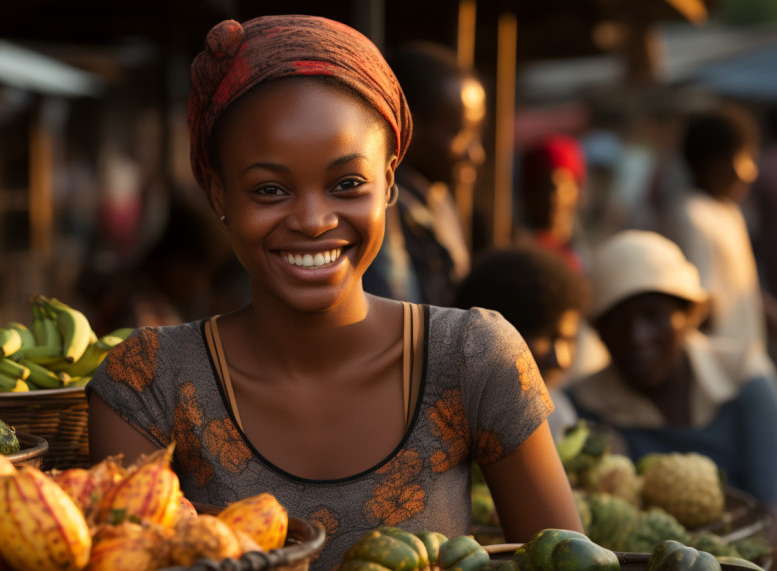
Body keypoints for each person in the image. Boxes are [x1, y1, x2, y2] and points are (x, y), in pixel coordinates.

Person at [87, 15, 581, 568]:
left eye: (347, 184)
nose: (314, 220)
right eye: (269, 189)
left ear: (390, 179)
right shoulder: (146, 386)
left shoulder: (471, 358)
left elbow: (570, 558)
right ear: (218, 192)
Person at [567, 230, 777, 514]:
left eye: (652, 315)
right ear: (600, 333)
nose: (637, 337)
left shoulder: (744, 379)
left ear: (688, 316)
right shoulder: (582, 407)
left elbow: (771, 506)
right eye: (617, 322)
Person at [364, 41, 486, 306]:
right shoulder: (382, 205)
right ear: (409, 129)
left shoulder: (437, 198)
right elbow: (397, 311)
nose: (475, 153)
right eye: (459, 133)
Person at [660, 104, 774, 374]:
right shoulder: (690, 216)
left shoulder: (728, 211)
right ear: (716, 163)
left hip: (747, 363)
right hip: (721, 372)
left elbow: (741, 287)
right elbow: (700, 306)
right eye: (744, 158)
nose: (751, 171)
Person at [454, 247, 590, 439]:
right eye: (544, 337)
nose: (560, 360)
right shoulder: (445, 417)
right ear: (496, 334)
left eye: (568, 340)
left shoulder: (557, 415)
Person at [514, 134, 588, 274]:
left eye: (563, 185)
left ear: (577, 192)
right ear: (526, 196)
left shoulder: (581, 253)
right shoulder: (520, 256)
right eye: (542, 188)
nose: (554, 198)